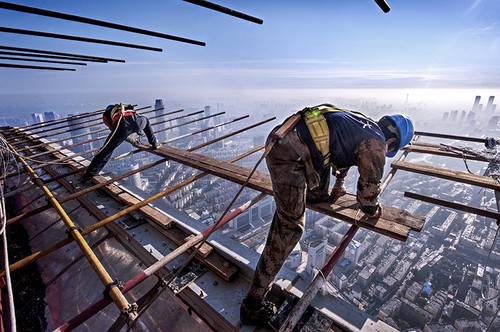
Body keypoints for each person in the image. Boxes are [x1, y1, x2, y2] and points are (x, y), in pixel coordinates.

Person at [240, 103, 414, 325]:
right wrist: (375, 209)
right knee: (290, 226)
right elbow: (367, 200)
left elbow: (341, 155)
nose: (385, 153)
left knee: (319, 184)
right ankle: (252, 303)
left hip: (291, 141)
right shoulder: (376, 144)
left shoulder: (362, 124)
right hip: (289, 156)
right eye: (389, 151)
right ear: (390, 143)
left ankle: (313, 194)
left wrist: (338, 184)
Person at [81, 103, 161, 183]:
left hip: (122, 126)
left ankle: (88, 175)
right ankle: (154, 143)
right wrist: (135, 134)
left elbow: (115, 130)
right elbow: (135, 117)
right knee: (146, 120)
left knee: (105, 152)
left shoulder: (106, 115)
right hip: (137, 122)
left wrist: (130, 139)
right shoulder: (124, 107)